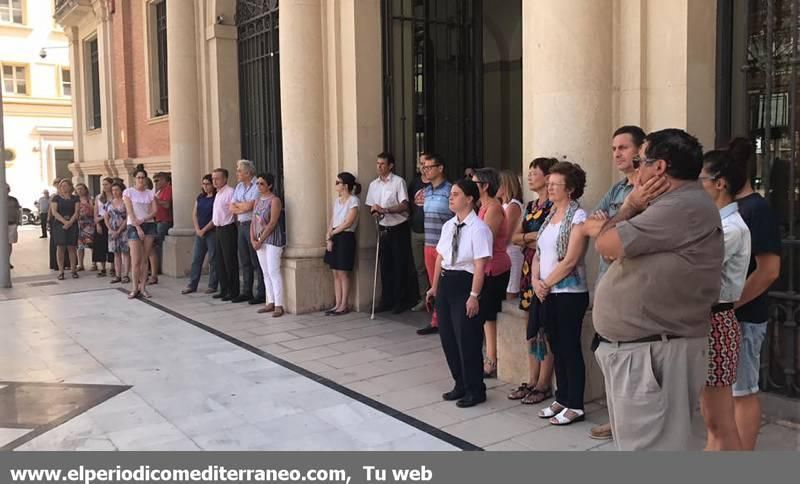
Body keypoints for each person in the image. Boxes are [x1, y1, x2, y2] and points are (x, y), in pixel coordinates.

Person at [584, 128, 723, 450]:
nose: (636, 168)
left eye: (639, 161)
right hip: (646, 349)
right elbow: (608, 248)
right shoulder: (675, 204)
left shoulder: (679, 206)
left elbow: (604, 240)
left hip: (652, 353)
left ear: (659, 168)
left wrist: (630, 206)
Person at [588, 124, 646, 441]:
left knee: (632, 358)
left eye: (622, 147)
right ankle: (617, 419)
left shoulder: (650, 190)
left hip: (632, 286)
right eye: (613, 149)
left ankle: (630, 422)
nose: (616, 154)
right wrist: (611, 234)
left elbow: (637, 237)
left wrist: (611, 234)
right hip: (606, 286)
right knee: (609, 355)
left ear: (641, 150)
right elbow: (590, 226)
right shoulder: (616, 190)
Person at [728, 137, 782, 451]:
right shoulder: (734, 209)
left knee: (743, 390)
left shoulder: (757, 209)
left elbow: (768, 270)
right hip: (730, 316)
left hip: (745, 317)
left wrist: (731, 305)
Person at [528, 162, 590, 426]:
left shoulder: (578, 217)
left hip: (569, 293)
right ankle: (561, 397)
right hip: (547, 292)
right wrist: (535, 280)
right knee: (555, 346)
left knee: (569, 348)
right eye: (549, 183)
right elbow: (540, 252)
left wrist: (545, 284)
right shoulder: (552, 213)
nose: (549, 187)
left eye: (555, 184)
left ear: (571, 189)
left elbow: (571, 260)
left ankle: (575, 403)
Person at [698, 149, 751, 451]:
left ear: (720, 183)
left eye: (701, 179)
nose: (696, 186)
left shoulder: (730, 228)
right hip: (706, 321)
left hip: (717, 323)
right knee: (711, 419)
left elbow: (694, 265)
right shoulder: (716, 222)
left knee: (720, 421)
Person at [426, 179, 492, 408]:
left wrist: (474, 295)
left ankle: (475, 389)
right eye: (450, 194)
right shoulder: (448, 226)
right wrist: (434, 287)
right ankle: (460, 383)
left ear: (470, 198)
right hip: (446, 282)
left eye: (455, 194)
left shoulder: (479, 228)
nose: (450, 197)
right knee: (448, 338)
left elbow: (480, 265)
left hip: (466, 282)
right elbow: (440, 259)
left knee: (467, 339)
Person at [508, 157, 556, 404]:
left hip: (547, 273)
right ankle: (532, 377)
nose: (529, 176)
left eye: (534, 172)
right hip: (528, 270)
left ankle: (544, 383)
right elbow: (515, 237)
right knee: (530, 328)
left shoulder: (555, 207)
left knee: (545, 329)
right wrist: (530, 237)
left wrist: (528, 238)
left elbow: (548, 238)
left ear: (548, 177)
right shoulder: (530, 206)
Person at [365, 152, 419, 313]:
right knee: (385, 265)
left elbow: (404, 205)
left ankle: (401, 301)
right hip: (383, 228)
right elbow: (371, 206)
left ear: (390, 165)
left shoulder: (398, 182)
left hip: (398, 227)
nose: (379, 166)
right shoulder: (374, 185)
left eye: (382, 164)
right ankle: (386, 301)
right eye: (377, 163)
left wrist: (386, 210)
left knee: (399, 265)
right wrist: (375, 212)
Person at [472, 168, 511, 378]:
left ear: (485, 185)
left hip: (494, 267)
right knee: (484, 315)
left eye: (475, 181)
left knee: (489, 315)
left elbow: (484, 239)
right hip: (483, 267)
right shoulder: (482, 207)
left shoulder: (494, 208)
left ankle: (492, 359)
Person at [416, 154, 453, 335]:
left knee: (445, 283)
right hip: (429, 243)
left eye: (430, 167)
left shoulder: (450, 190)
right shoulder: (427, 191)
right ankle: (436, 320)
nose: (426, 170)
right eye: (425, 167)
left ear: (440, 168)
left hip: (444, 245)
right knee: (433, 284)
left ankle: (446, 319)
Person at [324, 172, 361, 316]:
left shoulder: (353, 201)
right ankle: (337, 303)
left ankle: (344, 304)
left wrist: (333, 233)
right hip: (335, 235)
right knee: (335, 272)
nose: (336, 185)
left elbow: (348, 222)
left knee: (343, 272)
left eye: (338, 182)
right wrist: (329, 236)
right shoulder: (337, 200)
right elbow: (333, 220)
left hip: (345, 236)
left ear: (345, 185)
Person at [251, 173, 286, 317]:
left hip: (272, 240)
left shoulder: (275, 200)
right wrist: (253, 239)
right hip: (260, 240)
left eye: (262, 184)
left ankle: (279, 304)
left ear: (269, 185)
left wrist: (260, 240)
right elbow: (253, 221)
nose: (259, 186)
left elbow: (272, 223)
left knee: (273, 271)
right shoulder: (257, 200)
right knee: (265, 272)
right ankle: (270, 301)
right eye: (257, 183)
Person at [230, 160, 265, 305]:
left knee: (256, 260)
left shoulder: (257, 185)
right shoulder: (239, 186)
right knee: (244, 260)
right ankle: (246, 291)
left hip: (253, 224)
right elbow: (231, 207)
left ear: (248, 172)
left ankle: (261, 293)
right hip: (241, 224)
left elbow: (251, 206)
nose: (237, 173)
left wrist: (242, 206)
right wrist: (241, 206)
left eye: (239, 171)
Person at [123, 165, 158, 299]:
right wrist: (138, 227)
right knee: (136, 260)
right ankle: (134, 288)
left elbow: (154, 211)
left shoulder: (150, 193)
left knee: (145, 259)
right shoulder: (128, 192)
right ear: (134, 179)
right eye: (138, 177)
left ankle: (143, 287)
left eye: (143, 178)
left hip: (148, 225)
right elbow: (130, 211)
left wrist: (144, 219)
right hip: (134, 226)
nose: (141, 180)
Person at [183, 174, 219, 295]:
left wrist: (204, 230)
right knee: (196, 259)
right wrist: (198, 229)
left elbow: (216, 217)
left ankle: (212, 285)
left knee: (213, 259)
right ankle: (192, 284)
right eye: (203, 184)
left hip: (212, 231)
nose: (205, 186)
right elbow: (194, 214)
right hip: (200, 232)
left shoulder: (216, 198)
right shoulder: (200, 197)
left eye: (207, 184)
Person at [212, 168, 239, 301]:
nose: (214, 181)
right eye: (213, 179)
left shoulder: (230, 192)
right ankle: (224, 289)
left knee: (230, 261)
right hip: (218, 229)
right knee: (220, 261)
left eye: (217, 178)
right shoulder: (218, 193)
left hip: (228, 228)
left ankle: (233, 291)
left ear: (225, 179)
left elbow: (234, 211)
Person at [409, 155, 431, 311]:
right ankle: (424, 299)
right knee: (420, 267)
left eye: (426, 164)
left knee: (434, 268)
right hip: (416, 230)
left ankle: (435, 300)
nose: (423, 166)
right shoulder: (415, 182)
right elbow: (410, 202)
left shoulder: (438, 184)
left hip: (432, 233)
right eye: (421, 163)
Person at [497, 170, 524, 299]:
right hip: (503, 252)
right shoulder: (502, 204)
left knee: (510, 291)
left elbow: (506, 234)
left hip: (511, 251)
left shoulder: (513, 205)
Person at [50, 179, 80, 280]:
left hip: (72, 223)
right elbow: (54, 212)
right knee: (60, 247)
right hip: (59, 225)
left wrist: (70, 222)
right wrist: (64, 222)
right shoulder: (56, 198)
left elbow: (76, 212)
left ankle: (73, 270)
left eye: (66, 185)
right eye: (62, 186)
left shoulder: (75, 198)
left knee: (72, 247)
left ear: (70, 186)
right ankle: (61, 271)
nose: (63, 187)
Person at [149, 172, 173, 285]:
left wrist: (156, 200)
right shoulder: (158, 191)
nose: (156, 183)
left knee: (157, 244)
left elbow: (167, 205)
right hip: (157, 220)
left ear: (164, 180)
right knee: (154, 244)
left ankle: (156, 268)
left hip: (164, 221)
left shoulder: (168, 189)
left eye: (158, 180)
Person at [105, 181, 130, 284]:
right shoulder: (109, 203)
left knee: (125, 252)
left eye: (117, 190)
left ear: (121, 190)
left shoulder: (125, 202)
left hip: (123, 230)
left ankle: (126, 275)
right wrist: (111, 229)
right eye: (113, 190)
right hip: (112, 230)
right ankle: (117, 275)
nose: (115, 192)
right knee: (116, 253)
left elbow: (127, 216)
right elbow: (106, 217)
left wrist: (119, 230)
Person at [93, 178, 113, 277]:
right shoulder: (99, 197)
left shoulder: (114, 196)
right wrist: (97, 224)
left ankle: (113, 266)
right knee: (100, 244)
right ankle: (103, 267)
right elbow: (96, 212)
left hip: (112, 222)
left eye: (106, 184)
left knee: (111, 244)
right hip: (101, 222)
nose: (104, 186)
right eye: (103, 184)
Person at [75, 183, 95, 272]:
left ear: (85, 189)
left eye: (81, 189)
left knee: (91, 245)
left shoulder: (90, 199)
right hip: (79, 224)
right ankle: (80, 264)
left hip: (89, 224)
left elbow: (93, 210)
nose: (79, 190)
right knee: (79, 246)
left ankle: (94, 263)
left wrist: (85, 205)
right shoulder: (75, 200)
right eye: (78, 189)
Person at [6, 185, 21, 269]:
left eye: (7, 189)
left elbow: (17, 211)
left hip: (11, 224)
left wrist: (17, 222)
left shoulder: (13, 200)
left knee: (9, 243)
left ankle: (7, 261)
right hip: (2, 225)